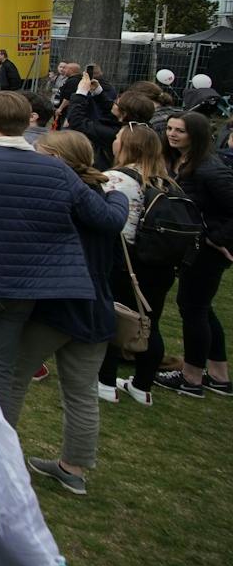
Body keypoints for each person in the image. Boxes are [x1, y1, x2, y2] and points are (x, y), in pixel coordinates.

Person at [0, 91, 127, 399]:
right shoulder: (58, 170)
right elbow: (104, 218)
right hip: (24, 287)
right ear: (26, 122)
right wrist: (117, 195)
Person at [0, 130, 117, 497]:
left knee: (14, 376)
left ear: (59, 160)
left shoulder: (62, 200)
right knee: (80, 392)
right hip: (96, 305)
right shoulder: (103, 199)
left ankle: (0, 461)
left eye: (40, 153)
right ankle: (73, 468)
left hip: (58, 305)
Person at [97, 123, 180, 403]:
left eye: (118, 138)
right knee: (149, 322)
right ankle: (143, 387)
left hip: (124, 260)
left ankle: (105, 383)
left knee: (111, 316)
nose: (114, 141)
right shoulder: (168, 181)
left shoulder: (115, 178)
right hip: (160, 263)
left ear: (127, 146)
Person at [155, 111, 233, 397]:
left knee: (193, 307)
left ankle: (191, 377)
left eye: (180, 131)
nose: (173, 134)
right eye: (171, 129)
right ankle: (218, 374)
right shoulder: (182, 162)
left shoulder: (209, 169)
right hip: (195, 245)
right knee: (200, 307)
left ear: (196, 135)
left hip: (207, 250)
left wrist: (217, 238)